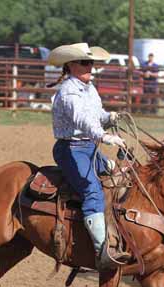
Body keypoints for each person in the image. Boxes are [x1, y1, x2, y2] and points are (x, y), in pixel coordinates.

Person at [47, 42, 128, 270]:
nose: (90, 66)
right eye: (85, 62)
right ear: (71, 65)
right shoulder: (68, 91)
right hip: (71, 149)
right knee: (92, 189)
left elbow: (94, 115)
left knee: (118, 174)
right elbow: (81, 119)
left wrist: (109, 117)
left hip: (88, 148)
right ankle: (102, 249)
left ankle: (114, 228)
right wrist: (104, 136)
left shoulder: (89, 88)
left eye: (91, 62)